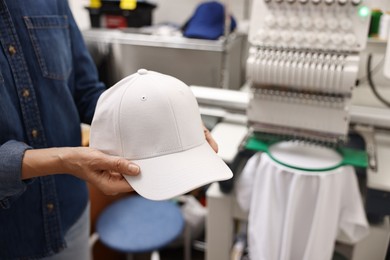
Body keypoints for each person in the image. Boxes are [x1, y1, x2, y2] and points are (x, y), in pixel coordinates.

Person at [0, 1, 218, 259]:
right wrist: (62, 160)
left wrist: (166, 118)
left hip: (70, 213)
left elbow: (87, 92)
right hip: (10, 236)